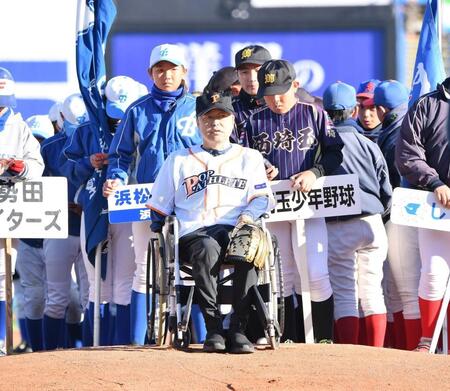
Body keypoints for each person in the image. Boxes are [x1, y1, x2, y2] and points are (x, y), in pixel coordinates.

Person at [147, 90, 274, 353]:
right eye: (208, 118)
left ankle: (238, 328)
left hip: (235, 228)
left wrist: (248, 217)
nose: (215, 123)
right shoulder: (178, 159)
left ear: (232, 121)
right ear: (197, 122)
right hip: (195, 232)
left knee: (249, 248)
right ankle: (214, 328)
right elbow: (159, 207)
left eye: (221, 117)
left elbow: (262, 198)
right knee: (207, 248)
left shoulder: (249, 157)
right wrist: (161, 236)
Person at [104, 44, 203, 345]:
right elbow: (120, 155)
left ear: (184, 71)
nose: (166, 74)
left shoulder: (199, 108)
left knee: (194, 270)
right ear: (150, 73)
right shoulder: (137, 110)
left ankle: (204, 338)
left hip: (192, 197)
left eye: (172, 68)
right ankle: (137, 344)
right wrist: (116, 179)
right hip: (147, 197)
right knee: (142, 270)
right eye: (159, 69)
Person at [244, 59, 344, 343]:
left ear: (296, 86)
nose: (276, 98)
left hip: (309, 204)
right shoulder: (253, 121)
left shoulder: (314, 113)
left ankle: (323, 338)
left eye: (282, 90)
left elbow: (335, 152)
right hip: (273, 205)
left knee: (315, 271)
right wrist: (258, 165)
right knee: (282, 273)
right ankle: (289, 339)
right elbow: (243, 159)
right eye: (269, 92)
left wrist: (315, 171)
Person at [61, 78, 142, 346]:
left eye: (124, 111)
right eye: (114, 111)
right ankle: (96, 348)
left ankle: (124, 344)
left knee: (125, 279)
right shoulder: (87, 129)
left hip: (132, 207)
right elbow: (67, 168)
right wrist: (89, 162)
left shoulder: (141, 119)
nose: (118, 119)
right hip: (95, 206)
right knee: (97, 282)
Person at [323, 82, 391, 347]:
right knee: (372, 291)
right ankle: (376, 355)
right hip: (372, 222)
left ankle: (351, 358)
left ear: (325, 113)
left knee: (345, 294)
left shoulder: (319, 144)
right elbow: (386, 189)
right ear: (353, 110)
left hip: (339, 224)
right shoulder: (368, 142)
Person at [395, 76, 450, 352]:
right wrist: (435, 182)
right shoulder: (427, 104)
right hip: (437, 204)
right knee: (433, 272)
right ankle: (428, 340)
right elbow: (407, 154)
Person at [373, 80, 421, 350]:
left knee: (401, 291)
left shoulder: (393, 133)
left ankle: (408, 349)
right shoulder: (411, 123)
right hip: (423, 213)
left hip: (400, 216)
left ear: (381, 109)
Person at [0, 67, 44, 352]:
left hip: (6, 205)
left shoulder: (18, 125)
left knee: (3, 277)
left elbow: (36, 166)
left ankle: (2, 341)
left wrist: (21, 167)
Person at [40, 97, 90, 350]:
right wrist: (63, 204)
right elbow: (34, 190)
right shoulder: (49, 147)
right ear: (61, 119)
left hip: (91, 227)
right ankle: (49, 359)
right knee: (57, 297)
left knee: (90, 296)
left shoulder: (98, 138)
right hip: (58, 227)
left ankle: (93, 354)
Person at [14, 115, 54, 352]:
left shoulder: (58, 161)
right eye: (35, 140)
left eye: (43, 140)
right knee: (31, 296)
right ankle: (34, 349)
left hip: (54, 238)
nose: (39, 146)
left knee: (66, 297)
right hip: (27, 240)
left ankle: (69, 346)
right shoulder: (19, 166)